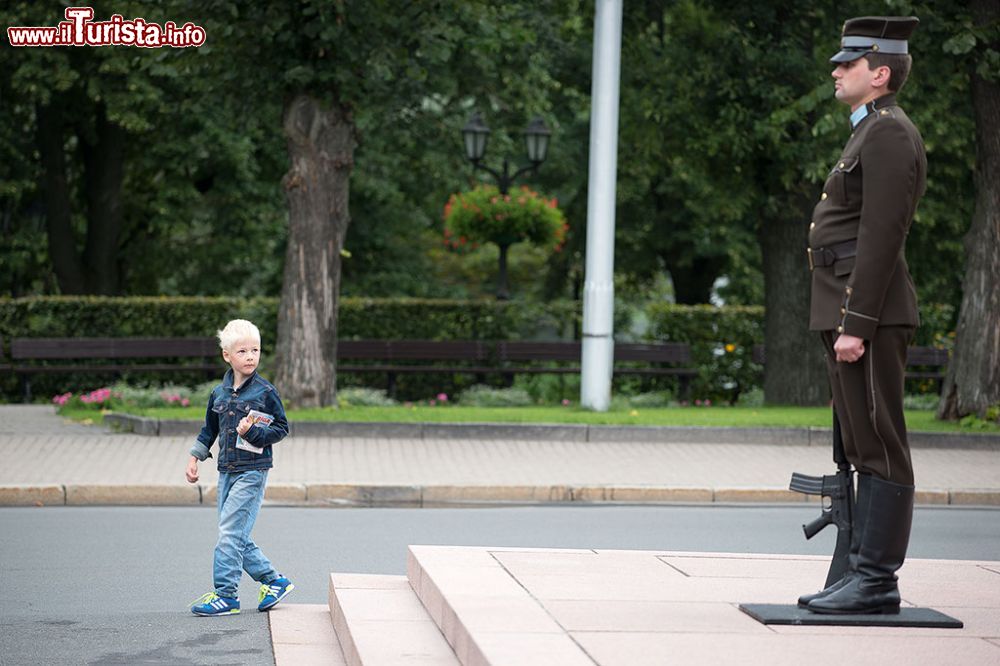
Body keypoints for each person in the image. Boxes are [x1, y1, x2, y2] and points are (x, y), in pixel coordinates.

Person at [801, 16, 926, 615]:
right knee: (858, 441)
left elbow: (881, 237)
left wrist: (856, 325)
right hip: (848, 310)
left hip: (865, 315)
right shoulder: (867, 132)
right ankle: (860, 572)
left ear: (879, 73)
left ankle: (877, 580)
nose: (835, 71)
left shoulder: (889, 134)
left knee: (878, 441)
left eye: (847, 64)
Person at [186, 319, 294, 616]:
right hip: (226, 470)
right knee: (234, 534)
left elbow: (282, 428)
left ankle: (226, 595)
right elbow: (209, 430)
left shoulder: (265, 392)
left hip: (253, 470)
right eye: (243, 351)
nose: (250, 357)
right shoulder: (218, 394)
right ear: (227, 356)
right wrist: (195, 457)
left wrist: (253, 434)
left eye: (255, 350)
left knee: (229, 533)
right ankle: (274, 581)